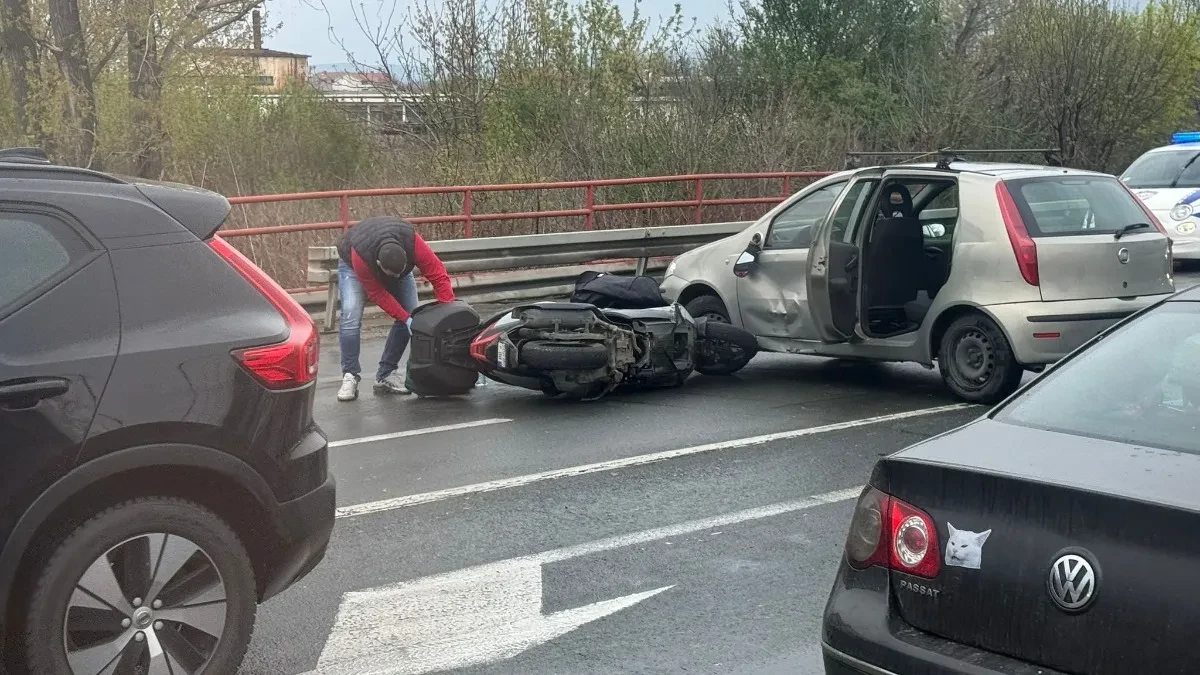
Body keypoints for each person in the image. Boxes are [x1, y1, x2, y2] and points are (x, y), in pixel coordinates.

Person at [335, 215, 455, 402]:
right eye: (392, 276)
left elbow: (438, 274)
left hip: (394, 254)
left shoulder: (412, 243)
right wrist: (405, 318)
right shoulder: (362, 258)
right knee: (351, 316)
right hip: (351, 263)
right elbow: (378, 294)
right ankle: (350, 375)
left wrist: (449, 312)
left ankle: (386, 374)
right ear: (379, 266)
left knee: (412, 312)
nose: (396, 279)